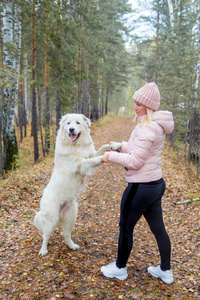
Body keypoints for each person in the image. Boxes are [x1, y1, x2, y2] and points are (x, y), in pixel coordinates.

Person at [100, 82, 174, 284]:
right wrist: (120, 146)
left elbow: (135, 161)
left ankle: (119, 268)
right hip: (155, 184)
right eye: (135, 102)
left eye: (139, 104)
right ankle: (165, 270)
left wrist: (110, 156)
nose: (135, 106)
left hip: (140, 187)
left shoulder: (147, 128)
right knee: (159, 229)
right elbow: (138, 150)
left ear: (149, 106)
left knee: (125, 227)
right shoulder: (154, 125)